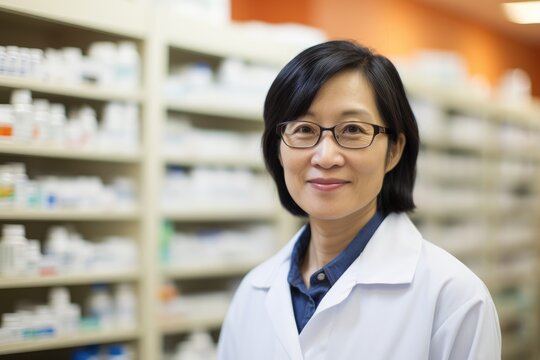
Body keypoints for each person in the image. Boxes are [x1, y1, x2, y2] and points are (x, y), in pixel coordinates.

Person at [217, 40, 501, 359]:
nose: (325, 156)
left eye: (352, 129)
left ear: (393, 150)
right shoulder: (252, 293)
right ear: (278, 148)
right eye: (304, 129)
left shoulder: (454, 299)